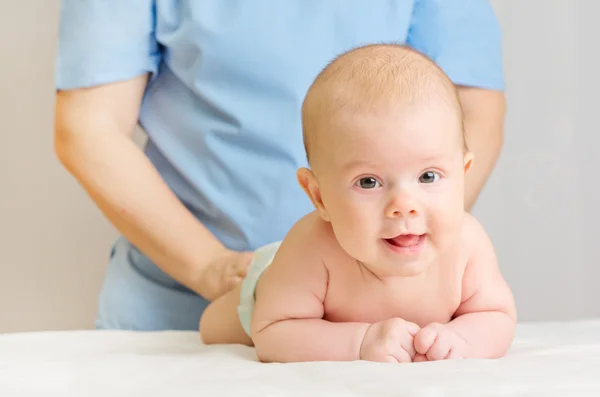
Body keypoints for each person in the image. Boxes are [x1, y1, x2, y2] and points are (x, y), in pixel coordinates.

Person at [53, 1, 507, 331]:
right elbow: (89, 128)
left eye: (427, 178)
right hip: (177, 307)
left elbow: (474, 113)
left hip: (383, 313)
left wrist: (401, 253)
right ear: (315, 194)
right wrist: (212, 269)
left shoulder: (463, 254)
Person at [199, 44, 517, 363]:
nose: (404, 206)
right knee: (212, 327)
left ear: (462, 175)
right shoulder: (311, 248)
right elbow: (271, 333)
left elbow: (496, 315)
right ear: (319, 196)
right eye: (368, 182)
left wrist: (462, 339)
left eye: (428, 176)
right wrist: (360, 342)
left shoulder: (468, 245)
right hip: (279, 282)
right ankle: (242, 282)